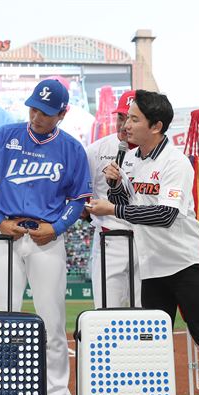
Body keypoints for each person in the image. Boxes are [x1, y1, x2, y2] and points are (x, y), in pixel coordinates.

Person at [87, 89, 199, 395]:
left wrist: (113, 208)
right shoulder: (131, 158)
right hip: (152, 266)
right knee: (150, 342)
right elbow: (130, 203)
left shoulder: (176, 162)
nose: (126, 124)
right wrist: (116, 186)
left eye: (134, 119)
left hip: (186, 263)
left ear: (156, 126)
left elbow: (164, 214)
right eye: (126, 117)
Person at [0, 78, 92, 395]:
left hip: (47, 237)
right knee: (3, 318)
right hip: (6, 232)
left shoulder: (71, 149)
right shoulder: (6, 136)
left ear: (63, 113)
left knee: (52, 320)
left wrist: (57, 228)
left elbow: (78, 200)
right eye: (34, 108)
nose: (37, 116)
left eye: (46, 112)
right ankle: (2, 393)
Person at [84, 90, 141, 308]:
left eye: (131, 118)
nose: (124, 124)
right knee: (107, 310)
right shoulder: (95, 150)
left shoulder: (153, 153)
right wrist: (92, 216)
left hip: (146, 237)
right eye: (120, 117)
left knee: (145, 311)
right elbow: (81, 195)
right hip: (110, 236)